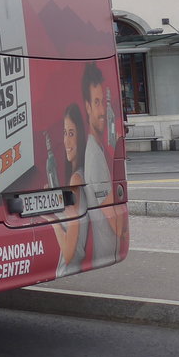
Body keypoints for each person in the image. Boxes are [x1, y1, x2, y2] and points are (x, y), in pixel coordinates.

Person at [80, 62, 120, 265]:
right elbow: (117, 224)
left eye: (103, 102)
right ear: (87, 107)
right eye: (96, 103)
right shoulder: (94, 156)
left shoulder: (97, 148)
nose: (102, 110)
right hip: (106, 251)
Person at [52, 103, 90, 275]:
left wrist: (52, 223)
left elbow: (68, 254)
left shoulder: (76, 179)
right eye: (65, 133)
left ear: (80, 137)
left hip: (67, 267)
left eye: (72, 133)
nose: (66, 140)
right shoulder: (79, 175)